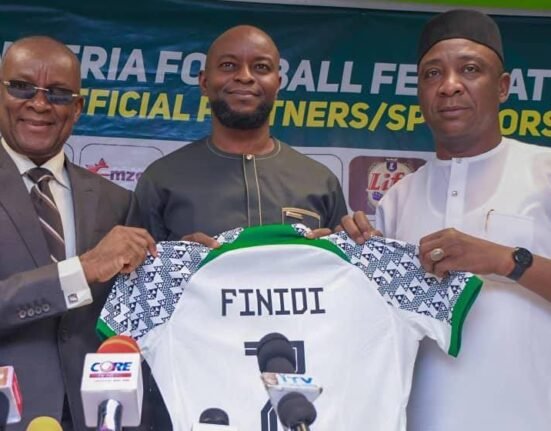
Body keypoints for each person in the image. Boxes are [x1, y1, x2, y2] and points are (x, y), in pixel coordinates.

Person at [340, 9, 551, 431]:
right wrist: (354, 262)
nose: (449, 85)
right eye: (432, 74)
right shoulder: (399, 198)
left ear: (503, 87)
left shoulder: (543, 171)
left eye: (470, 69)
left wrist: (505, 260)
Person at [0, 36, 159, 430]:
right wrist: (81, 270)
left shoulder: (116, 201)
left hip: (100, 416)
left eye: (57, 93)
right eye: (22, 87)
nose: (39, 104)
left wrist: (192, 265)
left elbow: (135, 319)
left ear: (77, 108)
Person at [132, 25, 347, 244]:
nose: (245, 77)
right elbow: (137, 264)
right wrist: (181, 258)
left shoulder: (320, 181)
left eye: (261, 67)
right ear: (204, 82)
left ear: (278, 85)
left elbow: (341, 263)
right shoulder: (161, 179)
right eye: (228, 65)